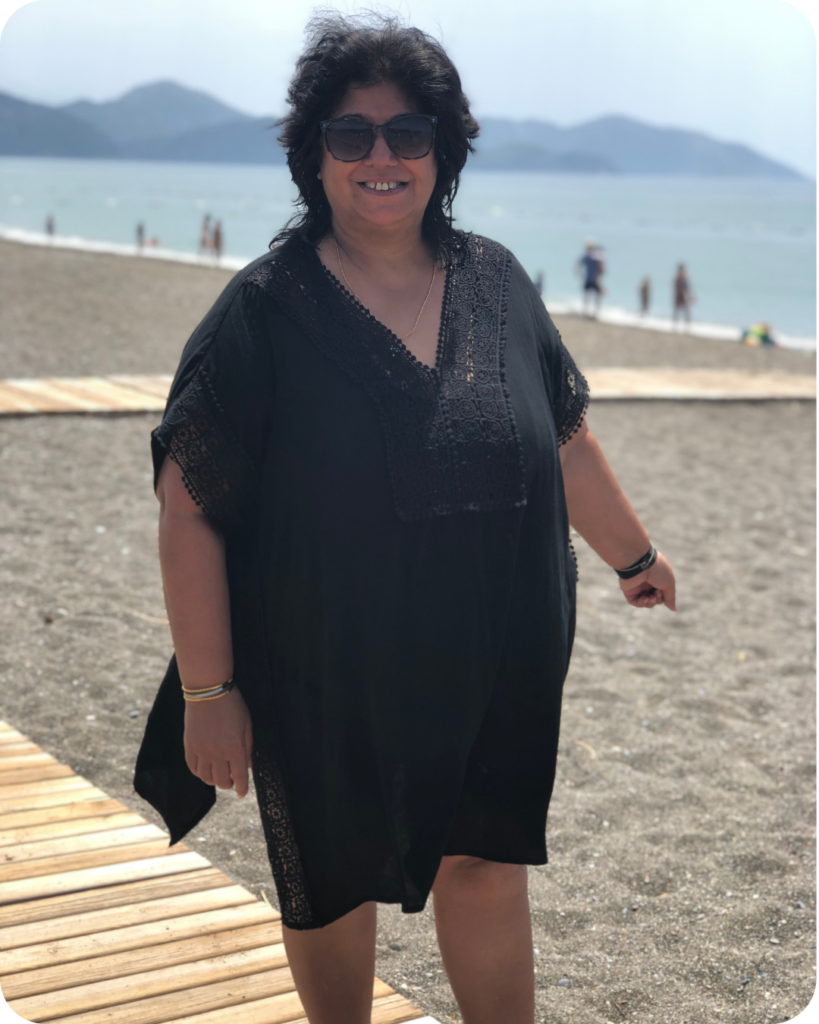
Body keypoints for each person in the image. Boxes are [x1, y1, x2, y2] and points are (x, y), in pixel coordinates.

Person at [135, 13, 676, 1024]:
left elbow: (563, 436)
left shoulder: (501, 283)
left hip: (500, 646)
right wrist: (210, 689)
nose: (381, 156)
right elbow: (189, 507)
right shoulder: (263, 312)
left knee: (488, 859)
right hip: (321, 655)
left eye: (408, 133)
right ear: (314, 155)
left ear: (445, 149)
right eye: (351, 135)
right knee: (332, 873)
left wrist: (633, 554)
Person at [577, 239, 604, 316]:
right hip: (595, 279)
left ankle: (587, 311)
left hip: (589, 278)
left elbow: (579, 264)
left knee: (587, 296)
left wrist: (580, 273)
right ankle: (594, 312)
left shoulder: (588, 256)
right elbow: (601, 268)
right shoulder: (597, 256)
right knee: (595, 296)